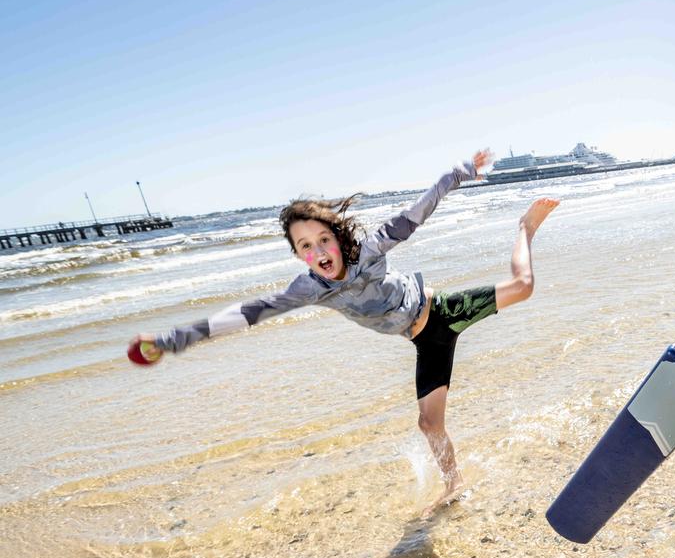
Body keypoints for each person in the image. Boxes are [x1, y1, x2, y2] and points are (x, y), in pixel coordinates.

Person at [129, 151, 560, 513]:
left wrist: (455, 174)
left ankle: (524, 229)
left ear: (337, 236)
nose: (318, 251)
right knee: (429, 425)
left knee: (523, 287)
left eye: (322, 239)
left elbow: (416, 215)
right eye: (305, 246)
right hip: (423, 342)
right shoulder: (309, 289)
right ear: (299, 256)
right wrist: (175, 339)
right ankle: (454, 484)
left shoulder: (370, 250)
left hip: (442, 312)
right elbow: (251, 312)